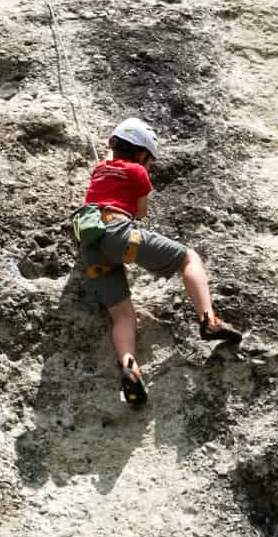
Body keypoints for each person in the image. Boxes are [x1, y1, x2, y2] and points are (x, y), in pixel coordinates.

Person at [74, 117, 243, 408]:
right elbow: (140, 212)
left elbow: (109, 157)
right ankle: (209, 320)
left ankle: (130, 366)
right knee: (188, 258)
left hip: (91, 247)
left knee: (123, 316)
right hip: (119, 234)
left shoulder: (100, 169)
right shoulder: (138, 171)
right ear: (141, 155)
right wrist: (139, 177)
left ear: (114, 145)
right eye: (148, 160)